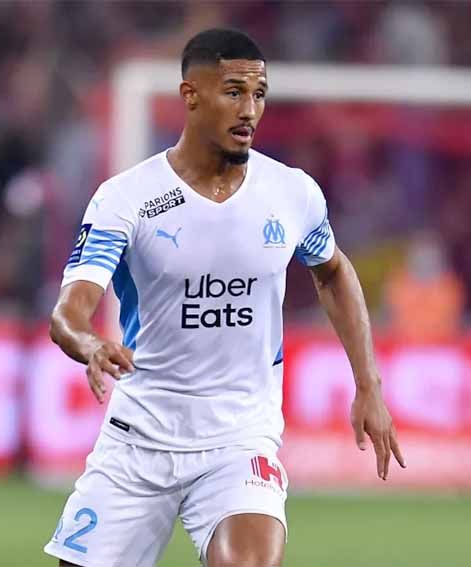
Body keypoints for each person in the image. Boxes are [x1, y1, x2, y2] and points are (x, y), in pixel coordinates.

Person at [44, 28, 404, 567]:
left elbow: (332, 272)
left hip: (240, 439)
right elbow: (68, 312)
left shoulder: (291, 192)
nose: (250, 109)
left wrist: (368, 384)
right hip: (140, 441)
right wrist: (91, 343)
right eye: (234, 91)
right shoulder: (125, 199)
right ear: (191, 94)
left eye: (259, 94)